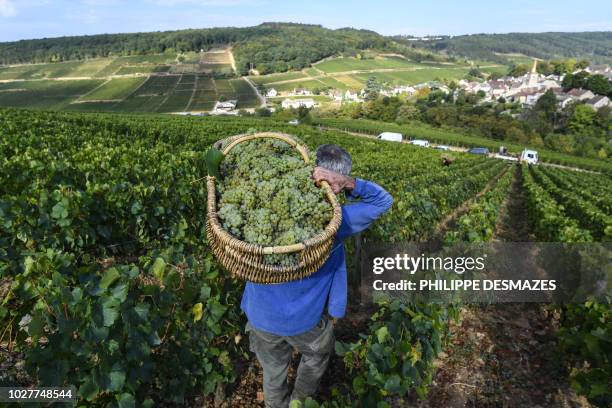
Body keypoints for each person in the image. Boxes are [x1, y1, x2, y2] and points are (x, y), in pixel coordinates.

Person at [241, 144, 394, 407]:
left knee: (273, 370)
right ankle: (300, 402)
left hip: (261, 315)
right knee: (318, 354)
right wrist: (348, 183)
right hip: (304, 321)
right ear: (334, 183)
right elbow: (383, 201)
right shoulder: (337, 222)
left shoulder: (257, 207)